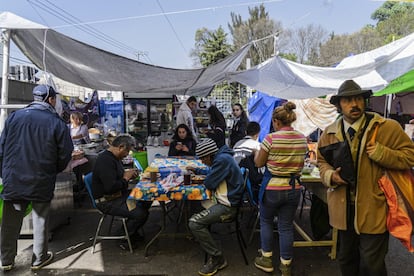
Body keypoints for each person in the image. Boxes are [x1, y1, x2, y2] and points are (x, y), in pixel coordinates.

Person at [317, 80, 414, 276]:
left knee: (372, 264)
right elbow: (321, 162)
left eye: (359, 99)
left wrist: (382, 154)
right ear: (338, 105)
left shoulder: (387, 128)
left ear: (365, 101)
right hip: (343, 211)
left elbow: (410, 156)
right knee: (346, 260)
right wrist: (330, 176)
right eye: (348, 100)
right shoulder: (329, 133)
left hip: (374, 208)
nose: (355, 104)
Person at [0, 84, 73, 271]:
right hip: (41, 177)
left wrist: (5, 173)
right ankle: (39, 259)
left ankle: (6, 260)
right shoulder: (56, 122)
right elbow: (65, 153)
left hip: (14, 177)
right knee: (40, 219)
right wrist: (52, 169)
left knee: (10, 222)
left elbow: (2, 148)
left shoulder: (14, 117)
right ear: (50, 99)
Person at [253, 102, 307, 276]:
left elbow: (259, 163)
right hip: (293, 188)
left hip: (273, 188)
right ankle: (285, 266)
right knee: (285, 226)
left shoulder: (270, 138)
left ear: (276, 121)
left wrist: (257, 155)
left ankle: (267, 260)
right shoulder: (302, 138)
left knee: (266, 222)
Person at [187, 138, 244, 276]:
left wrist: (202, 174)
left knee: (194, 223)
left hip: (228, 207)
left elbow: (210, 183)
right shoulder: (222, 158)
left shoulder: (222, 160)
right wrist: (197, 170)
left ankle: (218, 258)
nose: (202, 162)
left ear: (208, 156)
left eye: (202, 159)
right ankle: (202, 238)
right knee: (194, 206)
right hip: (224, 200)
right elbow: (213, 172)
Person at [91, 134, 152, 250]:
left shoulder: (114, 158)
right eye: (127, 150)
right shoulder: (106, 161)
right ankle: (123, 237)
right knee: (141, 214)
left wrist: (128, 174)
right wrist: (125, 178)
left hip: (117, 195)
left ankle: (132, 230)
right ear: (121, 147)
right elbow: (110, 188)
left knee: (146, 198)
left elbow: (117, 178)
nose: (127, 154)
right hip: (107, 201)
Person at [233, 121, 263, 202]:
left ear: (246, 132)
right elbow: (261, 168)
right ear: (257, 134)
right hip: (250, 181)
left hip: (235, 179)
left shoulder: (236, 145)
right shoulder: (258, 146)